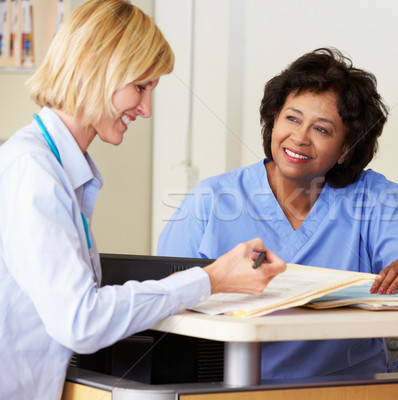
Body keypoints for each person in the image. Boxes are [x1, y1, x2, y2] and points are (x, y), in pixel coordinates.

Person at [0, 1, 285, 399]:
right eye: (141, 87)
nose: (147, 109)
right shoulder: (34, 169)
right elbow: (81, 321)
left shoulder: (54, 167)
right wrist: (211, 279)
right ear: (96, 71)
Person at [158, 47, 398, 380]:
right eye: (292, 118)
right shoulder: (212, 199)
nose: (300, 138)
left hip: (350, 388)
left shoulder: (375, 197)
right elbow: (166, 295)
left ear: (345, 149)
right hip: (231, 384)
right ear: (273, 120)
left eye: (322, 130)